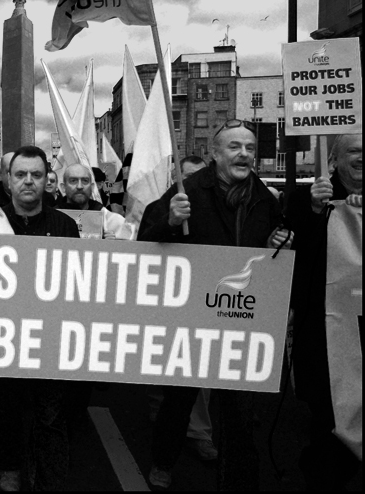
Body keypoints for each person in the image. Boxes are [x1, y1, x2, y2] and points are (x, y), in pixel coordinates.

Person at [139, 119, 291, 490]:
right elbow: (147, 238)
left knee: (240, 412)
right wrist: (171, 222)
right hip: (192, 316)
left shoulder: (264, 199)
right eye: (234, 147)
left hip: (240, 316)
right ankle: (163, 461)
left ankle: (238, 478)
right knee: (179, 401)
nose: (244, 154)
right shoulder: (187, 191)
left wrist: (280, 243)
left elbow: (274, 250)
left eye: (250, 148)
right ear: (215, 153)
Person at [0, 146, 80, 492]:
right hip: (2, 338)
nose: (29, 181)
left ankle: (49, 479)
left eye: (37, 175)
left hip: (49, 338)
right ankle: (10, 464)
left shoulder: (65, 225)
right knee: (5, 410)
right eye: (21, 174)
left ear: (47, 181)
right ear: (8, 181)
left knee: (51, 414)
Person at [286, 133, 362, 490]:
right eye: (354, 151)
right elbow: (288, 247)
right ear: (333, 159)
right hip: (324, 336)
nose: (362, 158)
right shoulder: (308, 198)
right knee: (328, 421)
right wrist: (316, 210)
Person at [144, 155, 217, 463]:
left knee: (198, 375)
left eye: (201, 179)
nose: (195, 186)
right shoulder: (158, 208)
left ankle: (199, 432)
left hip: (205, 303)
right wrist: (171, 223)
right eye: (188, 179)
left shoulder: (216, 210)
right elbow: (145, 246)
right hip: (166, 304)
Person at [56, 163, 128, 239]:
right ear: (63, 187)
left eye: (85, 181)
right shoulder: (50, 218)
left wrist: (113, 246)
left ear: (93, 187)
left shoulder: (109, 219)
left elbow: (135, 244)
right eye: (73, 181)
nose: (79, 186)